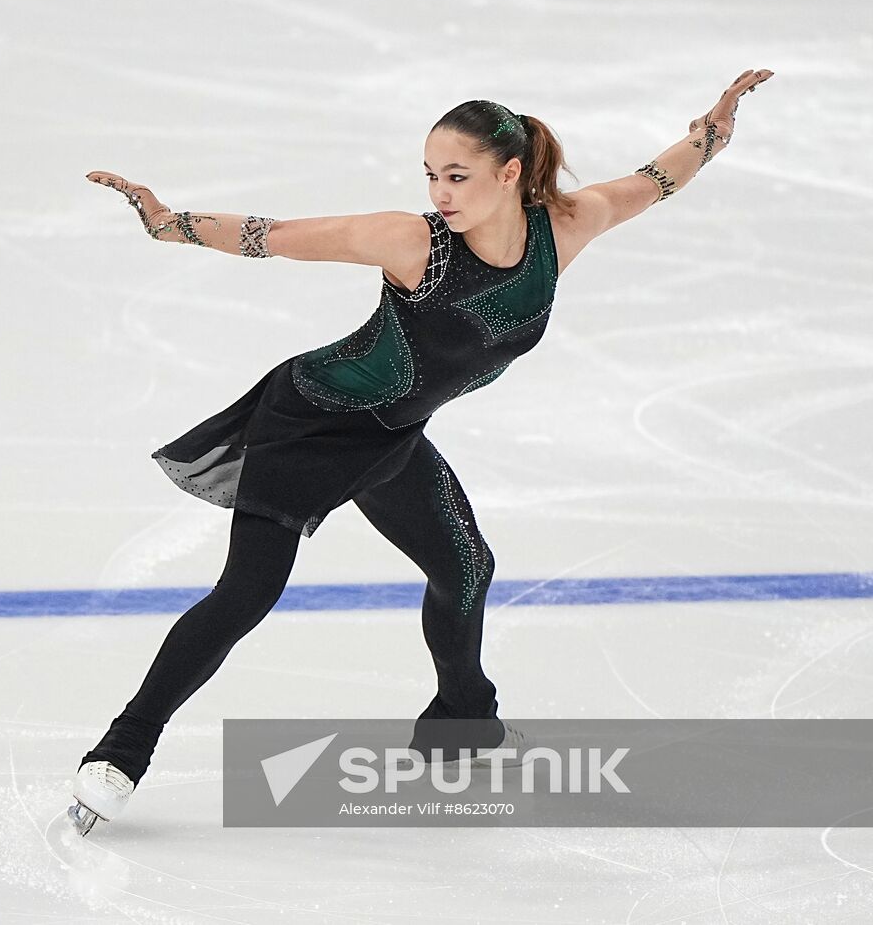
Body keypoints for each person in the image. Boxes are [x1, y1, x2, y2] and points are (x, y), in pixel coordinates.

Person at [67, 69, 776, 836]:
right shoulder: (413, 242)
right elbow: (271, 237)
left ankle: (462, 724)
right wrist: (171, 222)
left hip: (391, 439)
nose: (440, 191)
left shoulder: (562, 229)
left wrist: (712, 131)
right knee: (246, 594)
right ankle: (119, 753)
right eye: (432, 174)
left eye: (458, 175)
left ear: (510, 175)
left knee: (466, 566)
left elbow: (653, 179)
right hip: (309, 423)